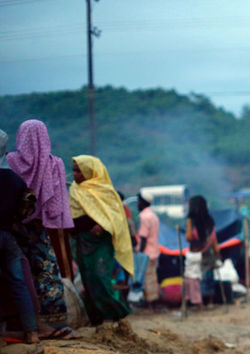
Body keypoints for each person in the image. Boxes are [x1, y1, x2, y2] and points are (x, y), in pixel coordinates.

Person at [6, 120, 81, 339]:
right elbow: (56, 203)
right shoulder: (54, 164)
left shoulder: (10, 160)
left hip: (12, 227)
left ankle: (23, 324)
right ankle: (57, 325)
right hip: (39, 228)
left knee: (18, 275)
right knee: (47, 274)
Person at [69, 155, 133, 325]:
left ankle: (116, 314)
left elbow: (115, 216)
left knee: (100, 277)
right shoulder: (74, 190)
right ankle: (96, 319)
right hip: (81, 240)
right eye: (74, 170)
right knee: (87, 279)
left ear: (90, 171)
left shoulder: (105, 190)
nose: (75, 174)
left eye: (79, 171)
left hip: (100, 243)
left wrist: (102, 225)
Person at [0, 129, 39, 345]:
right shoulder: (16, 181)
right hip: (10, 237)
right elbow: (24, 210)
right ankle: (31, 333)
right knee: (19, 283)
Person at [185, 195, 220, 309]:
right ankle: (209, 301)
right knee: (207, 277)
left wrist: (186, 233)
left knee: (194, 278)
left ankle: (197, 301)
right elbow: (215, 242)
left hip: (195, 254)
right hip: (207, 254)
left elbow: (189, 237)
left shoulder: (191, 220)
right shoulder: (210, 221)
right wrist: (218, 254)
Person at [137, 192, 161, 308]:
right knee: (152, 278)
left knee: (146, 278)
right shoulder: (154, 216)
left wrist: (140, 253)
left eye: (138, 201)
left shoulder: (144, 216)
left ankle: (149, 304)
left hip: (147, 253)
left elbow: (143, 237)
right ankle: (153, 302)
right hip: (154, 251)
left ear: (142, 202)